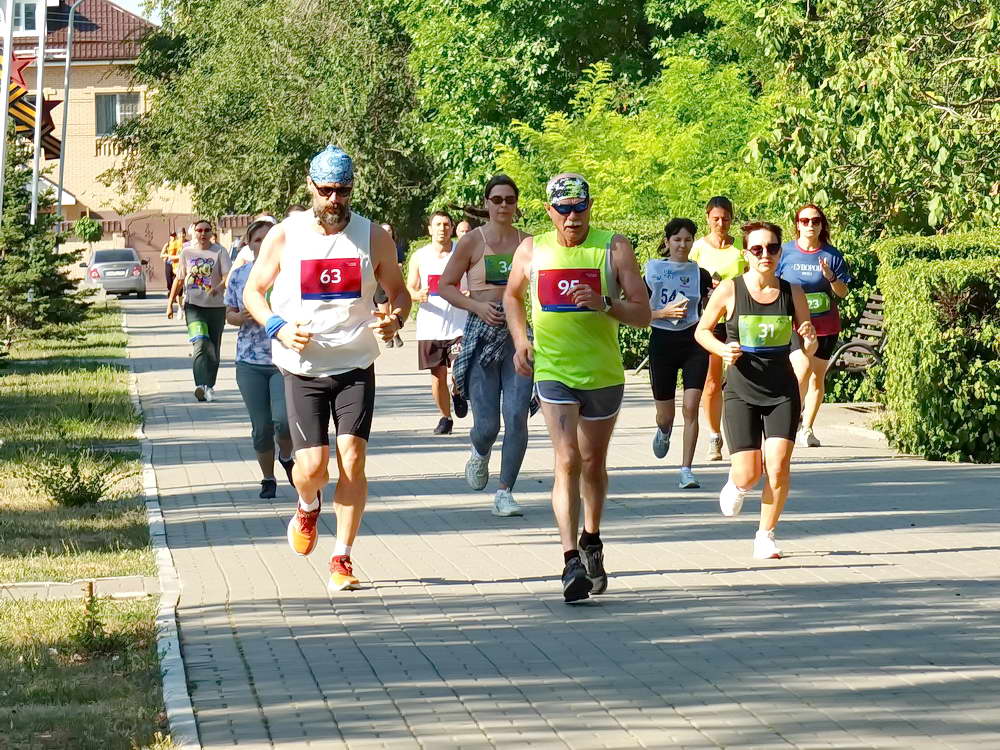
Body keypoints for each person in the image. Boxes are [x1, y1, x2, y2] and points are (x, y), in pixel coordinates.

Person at [243, 145, 410, 592]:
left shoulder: (373, 236)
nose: (335, 200)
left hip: (355, 363)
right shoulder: (285, 235)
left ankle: (342, 557)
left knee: (352, 458)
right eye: (327, 191)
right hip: (303, 366)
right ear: (311, 186)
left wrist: (396, 318)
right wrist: (277, 327)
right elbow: (253, 292)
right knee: (313, 468)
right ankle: (307, 504)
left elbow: (399, 292)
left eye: (344, 191)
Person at [504, 173, 650, 603]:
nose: (572, 217)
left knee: (592, 462)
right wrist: (521, 340)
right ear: (549, 211)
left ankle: (592, 538)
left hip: (602, 372)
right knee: (566, 459)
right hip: (554, 370)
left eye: (579, 208)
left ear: (590, 207)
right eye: (563, 210)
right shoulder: (532, 249)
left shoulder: (614, 247)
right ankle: (570, 560)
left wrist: (605, 303)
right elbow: (512, 296)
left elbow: (643, 314)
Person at [694, 222, 817, 560]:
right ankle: (737, 483)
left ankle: (766, 535)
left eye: (772, 248)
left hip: (782, 391)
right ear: (746, 253)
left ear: (780, 252)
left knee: (777, 466)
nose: (766, 254)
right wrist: (722, 350)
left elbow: (807, 344)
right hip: (742, 391)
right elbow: (702, 331)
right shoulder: (730, 290)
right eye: (758, 249)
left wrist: (809, 340)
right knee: (750, 473)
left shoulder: (793, 293)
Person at [439, 175, 532, 517]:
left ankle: (505, 491)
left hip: (517, 335)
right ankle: (480, 452)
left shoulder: (528, 243)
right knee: (488, 425)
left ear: (516, 204)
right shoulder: (472, 241)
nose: (503, 205)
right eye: (497, 199)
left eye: (510, 199)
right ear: (486, 203)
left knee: (517, 414)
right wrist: (476, 306)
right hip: (481, 333)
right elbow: (446, 286)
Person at [224, 218, 296, 499]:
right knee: (262, 426)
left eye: (269, 239)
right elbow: (229, 314)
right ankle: (268, 478)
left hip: (283, 359)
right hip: (249, 361)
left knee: (284, 421)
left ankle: (286, 457)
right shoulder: (240, 275)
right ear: (249, 244)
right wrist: (240, 317)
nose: (264, 244)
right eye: (258, 240)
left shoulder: (290, 272)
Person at [645, 218, 713, 489]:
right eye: (677, 240)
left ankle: (687, 469)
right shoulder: (653, 271)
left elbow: (710, 306)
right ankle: (663, 430)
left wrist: (714, 298)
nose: (682, 245)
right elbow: (635, 312)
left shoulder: (701, 274)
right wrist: (662, 313)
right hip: (662, 342)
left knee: (691, 407)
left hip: (694, 341)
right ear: (667, 242)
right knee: (667, 416)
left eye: (687, 240)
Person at [777, 204, 852, 447]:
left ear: (822, 225)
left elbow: (843, 293)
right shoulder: (785, 252)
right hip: (793, 325)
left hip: (825, 325)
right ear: (797, 224)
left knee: (816, 377)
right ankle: (789, 418)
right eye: (805, 221)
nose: (810, 225)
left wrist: (831, 277)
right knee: (801, 369)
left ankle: (807, 428)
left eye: (816, 221)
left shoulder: (832, 255)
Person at [690, 196, 746, 462]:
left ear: (732, 219)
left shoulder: (741, 249)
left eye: (725, 219)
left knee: (740, 380)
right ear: (707, 218)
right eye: (716, 219)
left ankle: (742, 434)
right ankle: (714, 435)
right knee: (712, 381)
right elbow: (687, 279)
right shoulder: (698, 248)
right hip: (711, 321)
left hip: (739, 320)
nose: (721, 224)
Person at [407, 211, 469, 435]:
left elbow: (476, 281)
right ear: (430, 229)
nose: (442, 228)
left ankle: (458, 391)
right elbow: (410, 287)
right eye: (438, 224)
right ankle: (445, 417)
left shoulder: (463, 253)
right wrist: (417, 295)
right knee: (437, 375)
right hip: (431, 325)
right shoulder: (420, 256)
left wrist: (470, 293)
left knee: (460, 369)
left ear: (452, 228)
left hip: (459, 323)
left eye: (446, 224)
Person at [166, 219, 231, 402]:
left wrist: (218, 288)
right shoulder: (186, 252)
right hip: (193, 307)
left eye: (206, 230)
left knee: (213, 348)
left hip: (216, 308)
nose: (203, 233)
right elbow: (179, 279)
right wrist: (170, 303)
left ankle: (209, 386)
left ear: (211, 233)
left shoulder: (220, 251)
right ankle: (200, 385)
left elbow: (228, 276)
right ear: (194, 232)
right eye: (199, 230)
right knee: (200, 343)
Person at [376, 222, 405, 348]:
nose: (387, 232)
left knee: (393, 307)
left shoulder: (397, 246)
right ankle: (388, 336)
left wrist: (399, 266)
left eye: (389, 230)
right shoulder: (375, 245)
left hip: (393, 279)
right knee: (383, 310)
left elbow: (401, 261)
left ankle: (395, 333)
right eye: (384, 230)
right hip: (379, 282)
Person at [160, 232, 181, 298]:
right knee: (169, 279)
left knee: (176, 279)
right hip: (169, 263)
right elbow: (161, 255)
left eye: (174, 236)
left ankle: (175, 295)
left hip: (176, 263)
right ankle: (170, 291)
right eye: (172, 236)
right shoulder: (167, 244)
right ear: (170, 237)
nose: (173, 237)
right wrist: (167, 255)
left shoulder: (178, 244)